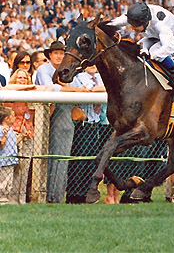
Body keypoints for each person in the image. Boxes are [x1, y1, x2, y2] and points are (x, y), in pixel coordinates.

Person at [35, 41, 89, 203]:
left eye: (61, 53)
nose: (59, 56)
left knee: (62, 157)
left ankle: (56, 195)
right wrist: (76, 90)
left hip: (65, 116)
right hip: (46, 117)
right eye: (56, 53)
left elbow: (85, 87)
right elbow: (50, 89)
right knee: (46, 158)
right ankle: (46, 195)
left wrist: (76, 90)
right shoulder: (43, 69)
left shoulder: (69, 68)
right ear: (49, 55)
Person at [110, 2, 174, 93]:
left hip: (173, 41)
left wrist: (152, 55)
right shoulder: (138, 16)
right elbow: (117, 22)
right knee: (139, 47)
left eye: (135, 26)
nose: (132, 29)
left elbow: (169, 47)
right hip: (153, 37)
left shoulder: (160, 25)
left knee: (155, 51)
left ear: (145, 23)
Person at [66, 65, 106, 204]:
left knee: (91, 160)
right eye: (89, 63)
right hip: (83, 123)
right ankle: (74, 193)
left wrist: (95, 89)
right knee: (79, 159)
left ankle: (86, 193)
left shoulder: (101, 77)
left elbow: (104, 88)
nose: (93, 66)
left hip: (96, 123)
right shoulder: (78, 77)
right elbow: (85, 91)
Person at [2, 70, 36, 203]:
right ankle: (9, 198)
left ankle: (21, 199)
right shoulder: (10, 93)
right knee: (12, 166)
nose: (22, 80)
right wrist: (26, 87)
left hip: (28, 133)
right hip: (12, 134)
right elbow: (6, 87)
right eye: (19, 78)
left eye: (25, 78)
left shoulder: (33, 95)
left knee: (25, 167)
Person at [0, 106, 22, 204]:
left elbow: (13, 143)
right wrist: (5, 135)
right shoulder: (2, 129)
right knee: (3, 182)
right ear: (7, 118)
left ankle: (6, 199)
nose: (15, 118)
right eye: (13, 116)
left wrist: (22, 137)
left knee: (9, 182)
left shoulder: (11, 129)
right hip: (5, 161)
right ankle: (2, 199)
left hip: (11, 160)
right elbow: (2, 144)